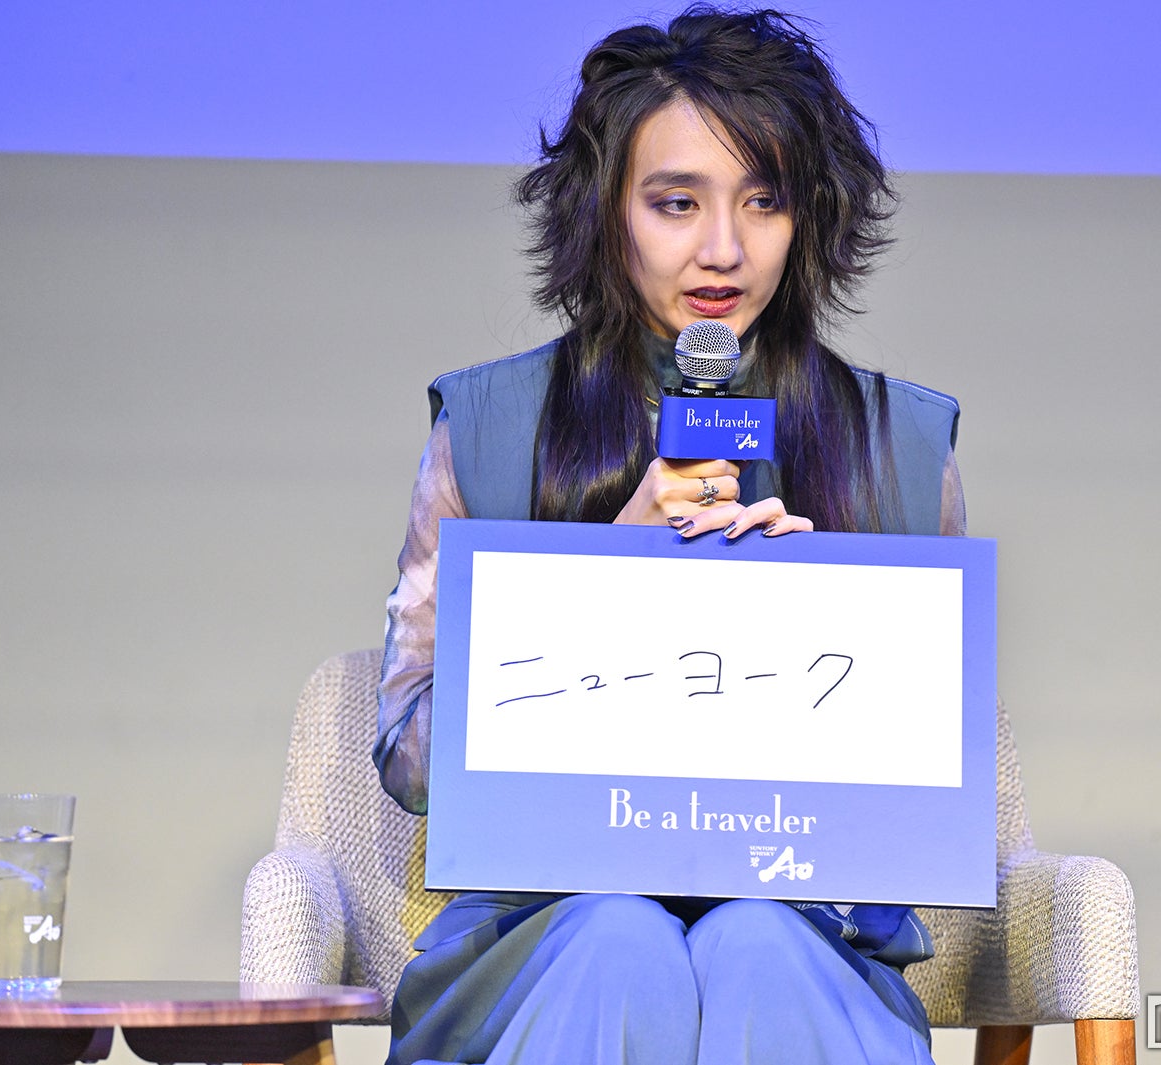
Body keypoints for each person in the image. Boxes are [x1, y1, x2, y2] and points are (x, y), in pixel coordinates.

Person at [373, 6, 966, 1063]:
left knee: (757, 945)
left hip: (808, 930)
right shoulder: (489, 426)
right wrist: (611, 579)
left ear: (811, 215)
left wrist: (820, 636)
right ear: (607, 214)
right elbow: (412, 757)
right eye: (677, 202)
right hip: (545, 932)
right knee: (621, 941)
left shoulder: (903, 446)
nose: (723, 249)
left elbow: (929, 794)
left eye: (765, 201)